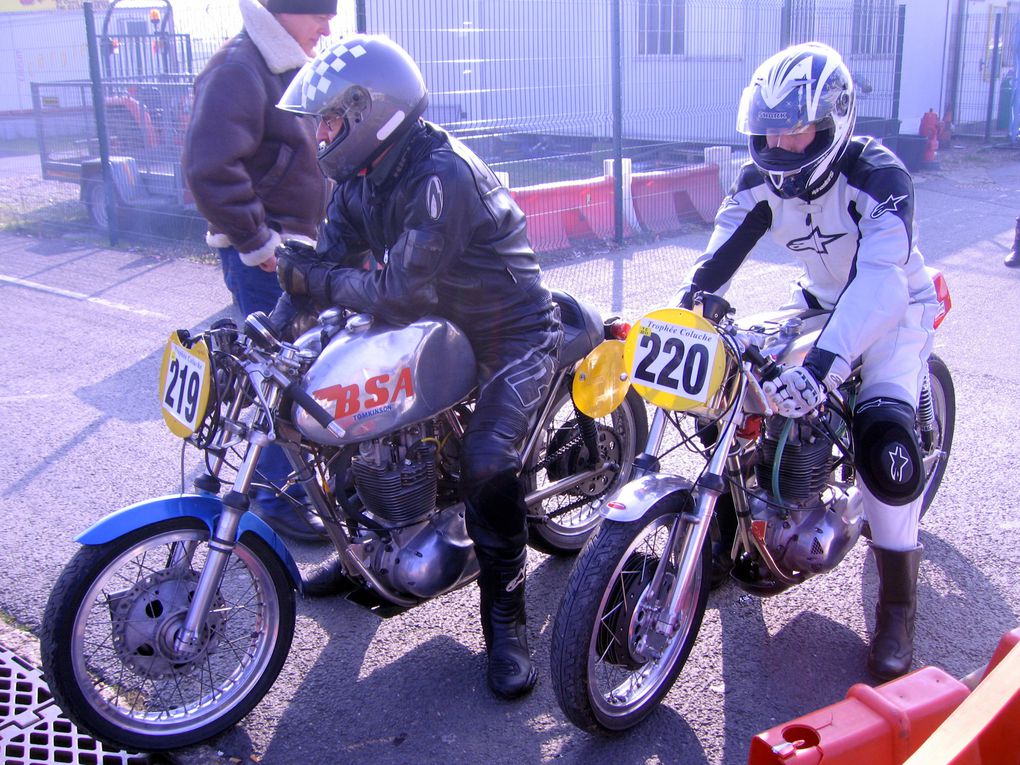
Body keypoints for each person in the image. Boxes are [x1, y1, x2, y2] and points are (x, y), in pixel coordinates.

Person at [269, 35, 563, 700]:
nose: (320, 135)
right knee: (343, 412)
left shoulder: (441, 175)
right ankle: (363, 557)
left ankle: (507, 621)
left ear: (371, 114)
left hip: (510, 329)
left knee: (487, 463)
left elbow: (394, 288)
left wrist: (314, 275)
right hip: (438, 320)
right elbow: (324, 265)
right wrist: (273, 322)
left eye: (330, 121)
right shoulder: (361, 178)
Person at [674, 42, 940, 681]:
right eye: (769, 131)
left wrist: (821, 368)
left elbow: (880, 284)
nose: (780, 145)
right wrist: (690, 309)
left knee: (886, 450)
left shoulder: (880, 176)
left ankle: (897, 607)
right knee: (728, 392)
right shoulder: (759, 181)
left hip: (895, 311)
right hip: (820, 302)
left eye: (795, 131)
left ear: (832, 121)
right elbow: (716, 262)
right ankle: (730, 531)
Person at [182, 0, 335, 542]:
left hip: (298, 251)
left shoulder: (284, 65)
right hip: (271, 257)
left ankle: (294, 488)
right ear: (289, 12)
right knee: (280, 381)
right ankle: (280, 499)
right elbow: (209, 167)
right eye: (320, 13)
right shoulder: (242, 68)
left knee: (301, 372)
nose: (328, 25)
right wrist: (258, 241)